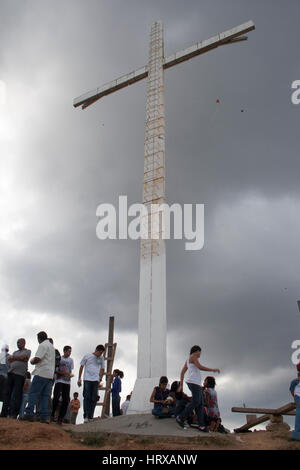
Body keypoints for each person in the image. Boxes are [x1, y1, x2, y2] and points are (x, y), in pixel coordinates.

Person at [176, 345, 220, 432]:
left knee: (200, 403)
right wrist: (212, 369)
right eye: (200, 352)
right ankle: (180, 417)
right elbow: (200, 367)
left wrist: (181, 384)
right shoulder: (193, 357)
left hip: (193, 383)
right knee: (196, 401)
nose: (200, 354)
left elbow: (182, 372)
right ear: (196, 351)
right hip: (193, 383)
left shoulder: (188, 360)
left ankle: (201, 425)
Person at [21, 331, 55, 424]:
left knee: (33, 393)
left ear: (39, 339)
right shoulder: (52, 347)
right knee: (45, 396)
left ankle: (29, 414)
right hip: (49, 375)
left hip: (41, 373)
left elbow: (38, 358)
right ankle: (43, 417)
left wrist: (32, 361)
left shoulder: (42, 345)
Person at [0, 338, 31, 418]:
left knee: (16, 395)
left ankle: (13, 414)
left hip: (20, 375)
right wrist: (19, 358)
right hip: (10, 374)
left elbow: (25, 358)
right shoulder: (14, 352)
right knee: (7, 394)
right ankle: (3, 413)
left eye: (19, 343)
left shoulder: (28, 351)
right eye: (17, 343)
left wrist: (15, 358)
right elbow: (11, 360)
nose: (17, 344)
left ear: (24, 343)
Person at [77, 345, 105, 423]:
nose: (100, 354)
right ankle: (86, 415)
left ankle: (90, 416)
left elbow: (102, 368)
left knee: (94, 398)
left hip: (96, 380)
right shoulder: (87, 356)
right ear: (96, 350)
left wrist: (100, 378)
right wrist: (79, 378)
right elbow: (81, 366)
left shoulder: (101, 358)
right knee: (87, 397)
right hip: (87, 379)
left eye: (102, 353)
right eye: (100, 352)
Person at [51, 345, 74, 425]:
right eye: (68, 351)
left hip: (67, 382)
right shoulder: (59, 359)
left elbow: (70, 370)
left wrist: (69, 374)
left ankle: (61, 418)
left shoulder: (71, 360)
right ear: (65, 351)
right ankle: (52, 413)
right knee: (56, 397)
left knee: (65, 399)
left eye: (70, 351)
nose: (70, 353)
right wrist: (62, 373)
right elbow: (55, 369)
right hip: (59, 380)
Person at [289, 362, 300, 441]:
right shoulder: (295, 382)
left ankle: (296, 433)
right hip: (298, 397)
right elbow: (292, 391)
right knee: (299, 413)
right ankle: (297, 434)